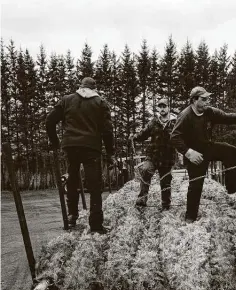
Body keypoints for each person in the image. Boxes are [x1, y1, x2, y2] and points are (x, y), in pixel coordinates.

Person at [170, 86, 236, 222]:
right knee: (196, 185)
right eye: (203, 99)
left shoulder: (209, 112)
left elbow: (228, 117)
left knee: (231, 151)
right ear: (194, 100)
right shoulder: (185, 116)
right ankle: (190, 217)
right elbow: (174, 137)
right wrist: (188, 153)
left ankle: (231, 185)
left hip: (208, 147)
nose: (207, 102)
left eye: (207, 99)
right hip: (194, 154)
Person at [46, 77, 115, 234]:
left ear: (80, 87)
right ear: (94, 89)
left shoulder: (67, 100)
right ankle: (96, 225)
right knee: (95, 185)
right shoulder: (100, 103)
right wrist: (110, 153)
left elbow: (49, 121)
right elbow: (107, 130)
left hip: (70, 147)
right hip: (91, 148)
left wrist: (56, 143)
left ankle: (72, 216)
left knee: (72, 180)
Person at [129, 98, 177, 210]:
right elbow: (143, 134)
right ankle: (142, 201)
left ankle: (166, 206)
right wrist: (134, 137)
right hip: (152, 155)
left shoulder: (176, 122)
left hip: (167, 158)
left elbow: (183, 136)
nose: (162, 109)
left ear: (168, 107)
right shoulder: (154, 122)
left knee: (165, 182)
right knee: (145, 170)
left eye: (164, 106)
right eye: (160, 107)